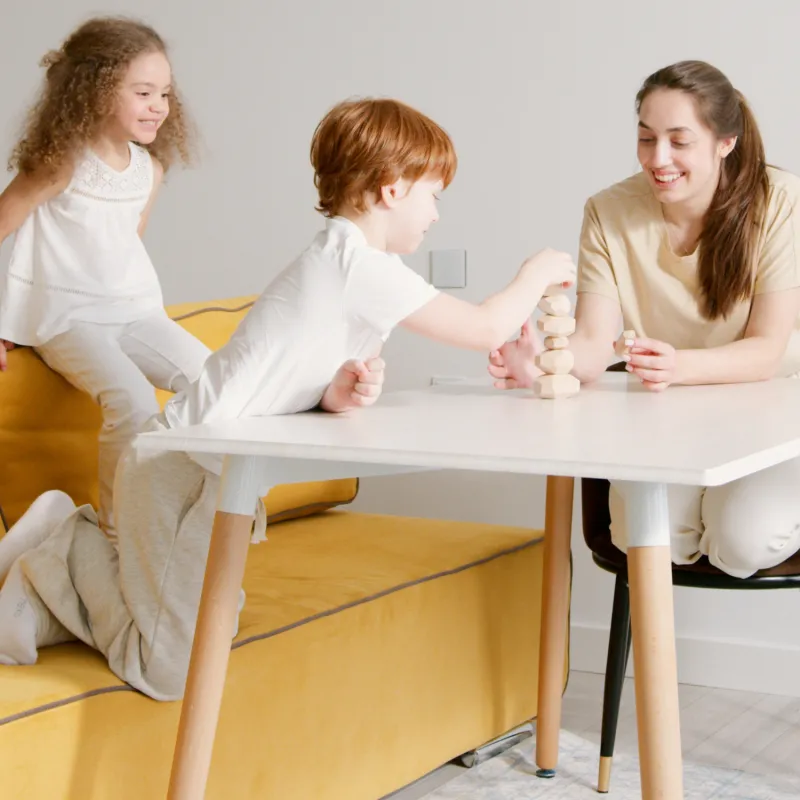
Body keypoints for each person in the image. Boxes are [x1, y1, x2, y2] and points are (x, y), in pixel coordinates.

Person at [0, 97, 576, 700]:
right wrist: (534, 273)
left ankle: (49, 586)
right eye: (433, 195)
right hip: (180, 468)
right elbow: (485, 328)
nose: (435, 214)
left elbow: (285, 370)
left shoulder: (350, 264)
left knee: (209, 631)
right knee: (167, 672)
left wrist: (332, 393)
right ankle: (66, 545)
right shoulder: (356, 263)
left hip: (214, 472)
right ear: (391, 189)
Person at [489, 60, 800, 578]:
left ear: (725, 142)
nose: (659, 159)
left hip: (777, 405)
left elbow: (767, 350)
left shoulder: (780, 200)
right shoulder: (608, 211)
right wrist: (545, 363)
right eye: (646, 138)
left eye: (680, 141)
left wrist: (679, 366)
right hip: (669, 411)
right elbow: (593, 342)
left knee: (742, 544)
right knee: (651, 539)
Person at [0, 17, 211, 535]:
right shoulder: (60, 164)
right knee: (132, 402)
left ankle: (190, 515)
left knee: (214, 382)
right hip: (69, 319)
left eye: (164, 93)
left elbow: (125, 245)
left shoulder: (149, 170)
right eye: (143, 92)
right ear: (93, 90)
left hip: (134, 313)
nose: (159, 106)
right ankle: (119, 536)